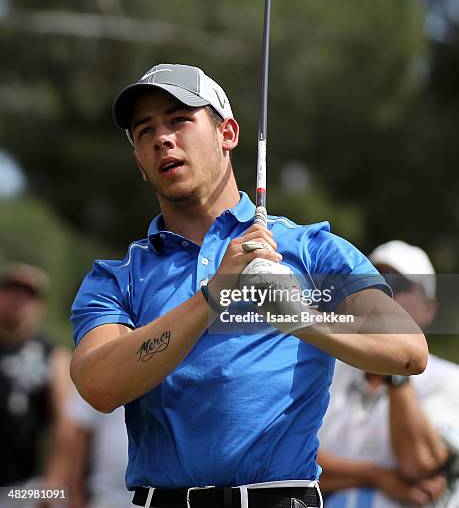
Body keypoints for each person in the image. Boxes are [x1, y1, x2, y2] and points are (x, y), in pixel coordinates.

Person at [70, 63, 428, 508]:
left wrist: (301, 321)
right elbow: (100, 385)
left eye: (180, 119)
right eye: (145, 131)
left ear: (228, 133)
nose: (163, 138)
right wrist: (212, 297)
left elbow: (409, 351)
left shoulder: (312, 249)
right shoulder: (116, 276)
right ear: (140, 163)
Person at [318, 241, 459, 507]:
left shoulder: (450, 379)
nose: (384, 295)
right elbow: (292, 464)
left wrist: (394, 366)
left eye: (399, 285)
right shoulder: (327, 369)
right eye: (374, 283)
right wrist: (378, 476)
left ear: (429, 309)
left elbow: (419, 464)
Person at [0, 263, 71, 505]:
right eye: (12, 290)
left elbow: (66, 423)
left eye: (29, 295)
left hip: (19, 488)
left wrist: (54, 483)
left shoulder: (53, 356)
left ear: (41, 306)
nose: (18, 300)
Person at [63, 385, 131, 508]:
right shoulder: (103, 371)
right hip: (106, 495)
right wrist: (74, 491)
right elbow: (80, 429)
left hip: (159, 494)